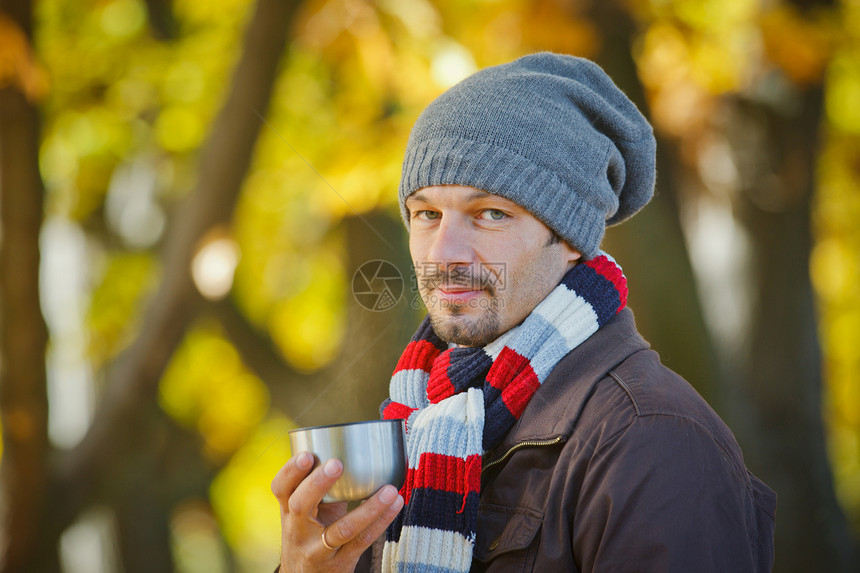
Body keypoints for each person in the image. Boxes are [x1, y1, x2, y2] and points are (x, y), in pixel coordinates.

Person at [271, 52, 777, 572]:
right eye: (426, 214)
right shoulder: (421, 423)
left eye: (490, 213)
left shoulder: (653, 439)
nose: (444, 253)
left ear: (571, 238)